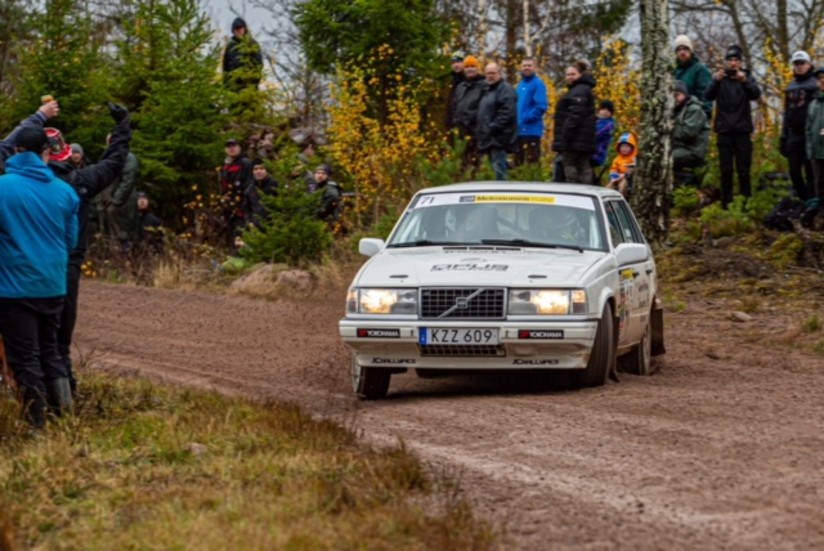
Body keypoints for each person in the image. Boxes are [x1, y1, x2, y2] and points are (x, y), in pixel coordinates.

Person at [0, 101, 132, 395]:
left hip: (15, 277)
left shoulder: (9, 184)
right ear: (61, 153)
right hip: (62, 273)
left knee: (23, 349)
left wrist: (36, 117)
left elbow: (7, 149)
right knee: (56, 347)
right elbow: (115, 161)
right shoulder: (78, 183)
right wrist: (123, 127)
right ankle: (65, 410)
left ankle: (33, 412)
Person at [0, 128, 79, 427]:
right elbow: (70, 242)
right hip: (53, 284)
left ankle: (36, 426)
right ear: (46, 152)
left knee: (24, 357)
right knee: (50, 349)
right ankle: (66, 417)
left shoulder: (3, 188)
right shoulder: (65, 191)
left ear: (17, 151)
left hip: (14, 288)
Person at [705, 45, 762, 208]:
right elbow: (707, 95)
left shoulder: (747, 77)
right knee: (726, 171)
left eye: (736, 60)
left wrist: (744, 81)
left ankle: (746, 202)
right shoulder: (719, 79)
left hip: (743, 131)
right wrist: (716, 81)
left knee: (744, 171)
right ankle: (726, 203)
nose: (733, 64)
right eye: (730, 60)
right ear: (725, 62)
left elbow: (756, 94)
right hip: (724, 131)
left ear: (741, 62)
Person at [552, 60, 597, 184]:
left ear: (581, 75)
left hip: (574, 141)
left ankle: (574, 193)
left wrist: (564, 137)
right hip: (581, 140)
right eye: (568, 74)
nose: (570, 77)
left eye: (573, 74)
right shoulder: (581, 90)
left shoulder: (579, 91)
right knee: (584, 168)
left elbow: (575, 116)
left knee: (572, 170)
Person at [781, 51, 818, 201]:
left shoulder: (816, 84)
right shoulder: (791, 86)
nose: (799, 66)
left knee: (811, 172)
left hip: (810, 134)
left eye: (802, 63)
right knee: (794, 171)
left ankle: (813, 202)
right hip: (794, 134)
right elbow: (786, 112)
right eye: (796, 63)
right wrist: (784, 135)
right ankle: (804, 200)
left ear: (808, 64)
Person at [476, 62, 518, 180]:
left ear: (499, 73)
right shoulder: (487, 90)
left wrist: (493, 127)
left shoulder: (505, 89)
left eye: (493, 73)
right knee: (491, 171)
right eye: (488, 73)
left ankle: (503, 195)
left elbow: (507, 113)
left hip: (499, 139)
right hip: (488, 139)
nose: (490, 76)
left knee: (499, 170)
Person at [102, 142, 140, 246]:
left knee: (125, 236)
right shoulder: (107, 158)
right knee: (113, 237)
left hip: (124, 203)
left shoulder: (128, 158)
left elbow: (127, 181)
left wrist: (115, 200)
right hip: (109, 203)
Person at [672, 80, 710, 182]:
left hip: (693, 151)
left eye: (677, 95)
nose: (675, 98)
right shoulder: (676, 109)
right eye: (672, 95)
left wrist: (670, 128)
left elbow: (688, 133)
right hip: (681, 148)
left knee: (667, 158)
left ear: (685, 94)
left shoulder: (694, 109)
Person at [451, 55, 485, 167]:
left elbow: (485, 108)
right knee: (463, 163)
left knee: (476, 163)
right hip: (461, 132)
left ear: (477, 68)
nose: (470, 69)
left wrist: (471, 119)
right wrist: (456, 120)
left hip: (477, 132)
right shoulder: (461, 86)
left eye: (472, 66)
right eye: (467, 67)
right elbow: (455, 105)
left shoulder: (484, 85)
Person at [515, 57, 549, 165]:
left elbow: (541, 106)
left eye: (529, 65)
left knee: (531, 164)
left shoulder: (538, 84)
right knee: (518, 164)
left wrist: (527, 117)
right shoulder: (520, 85)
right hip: (519, 131)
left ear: (535, 67)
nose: (527, 68)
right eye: (524, 65)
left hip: (531, 131)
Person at [219, 138, 253, 245]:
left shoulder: (246, 163)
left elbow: (250, 185)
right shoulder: (226, 166)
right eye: (229, 147)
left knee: (239, 236)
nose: (232, 149)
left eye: (234, 146)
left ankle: (241, 259)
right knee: (231, 235)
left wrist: (244, 204)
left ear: (239, 148)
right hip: (229, 207)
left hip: (242, 207)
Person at [673, 35, 713, 119]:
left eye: (685, 49)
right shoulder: (673, 71)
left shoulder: (700, 70)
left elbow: (706, 98)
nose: (682, 52)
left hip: (694, 119)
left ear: (690, 51)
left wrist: (702, 119)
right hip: (677, 119)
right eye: (679, 49)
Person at [222, 17, 263, 93]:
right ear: (233, 31)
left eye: (240, 28)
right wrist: (226, 85)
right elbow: (225, 66)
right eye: (236, 29)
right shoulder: (230, 46)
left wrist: (252, 83)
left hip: (249, 88)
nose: (238, 31)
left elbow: (258, 65)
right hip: (233, 88)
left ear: (244, 29)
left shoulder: (252, 44)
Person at [804, 67, 824, 212]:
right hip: (817, 153)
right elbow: (808, 129)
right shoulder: (813, 104)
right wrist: (810, 150)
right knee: (820, 184)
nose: (823, 80)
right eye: (820, 78)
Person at [243, 159, 278, 227]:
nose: (258, 171)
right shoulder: (250, 189)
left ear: (267, 171)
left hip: (274, 226)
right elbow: (247, 208)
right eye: (255, 169)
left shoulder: (275, 185)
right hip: (256, 228)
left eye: (261, 168)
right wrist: (249, 222)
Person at [591, 100, 616, 183]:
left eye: (608, 110)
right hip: (592, 152)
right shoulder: (596, 120)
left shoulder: (608, 124)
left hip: (597, 153)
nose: (605, 112)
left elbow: (596, 135)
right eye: (603, 109)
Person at [607, 132, 638, 198]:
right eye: (622, 146)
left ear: (632, 147)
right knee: (609, 186)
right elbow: (613, 168)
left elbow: (633, 168)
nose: (624, 148)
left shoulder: (633, 158)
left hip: (627, 178)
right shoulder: (617, 159)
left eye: (627, 146)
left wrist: (627, 173)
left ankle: (621, 198)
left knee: (622, 186)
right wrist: (613, 174)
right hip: (617, 177)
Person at [446, 51, 466, 130]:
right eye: (453, 63)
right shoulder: (450, 80)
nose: (455, 65)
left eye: (458, 62)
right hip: (453, 123)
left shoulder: (467, 80)